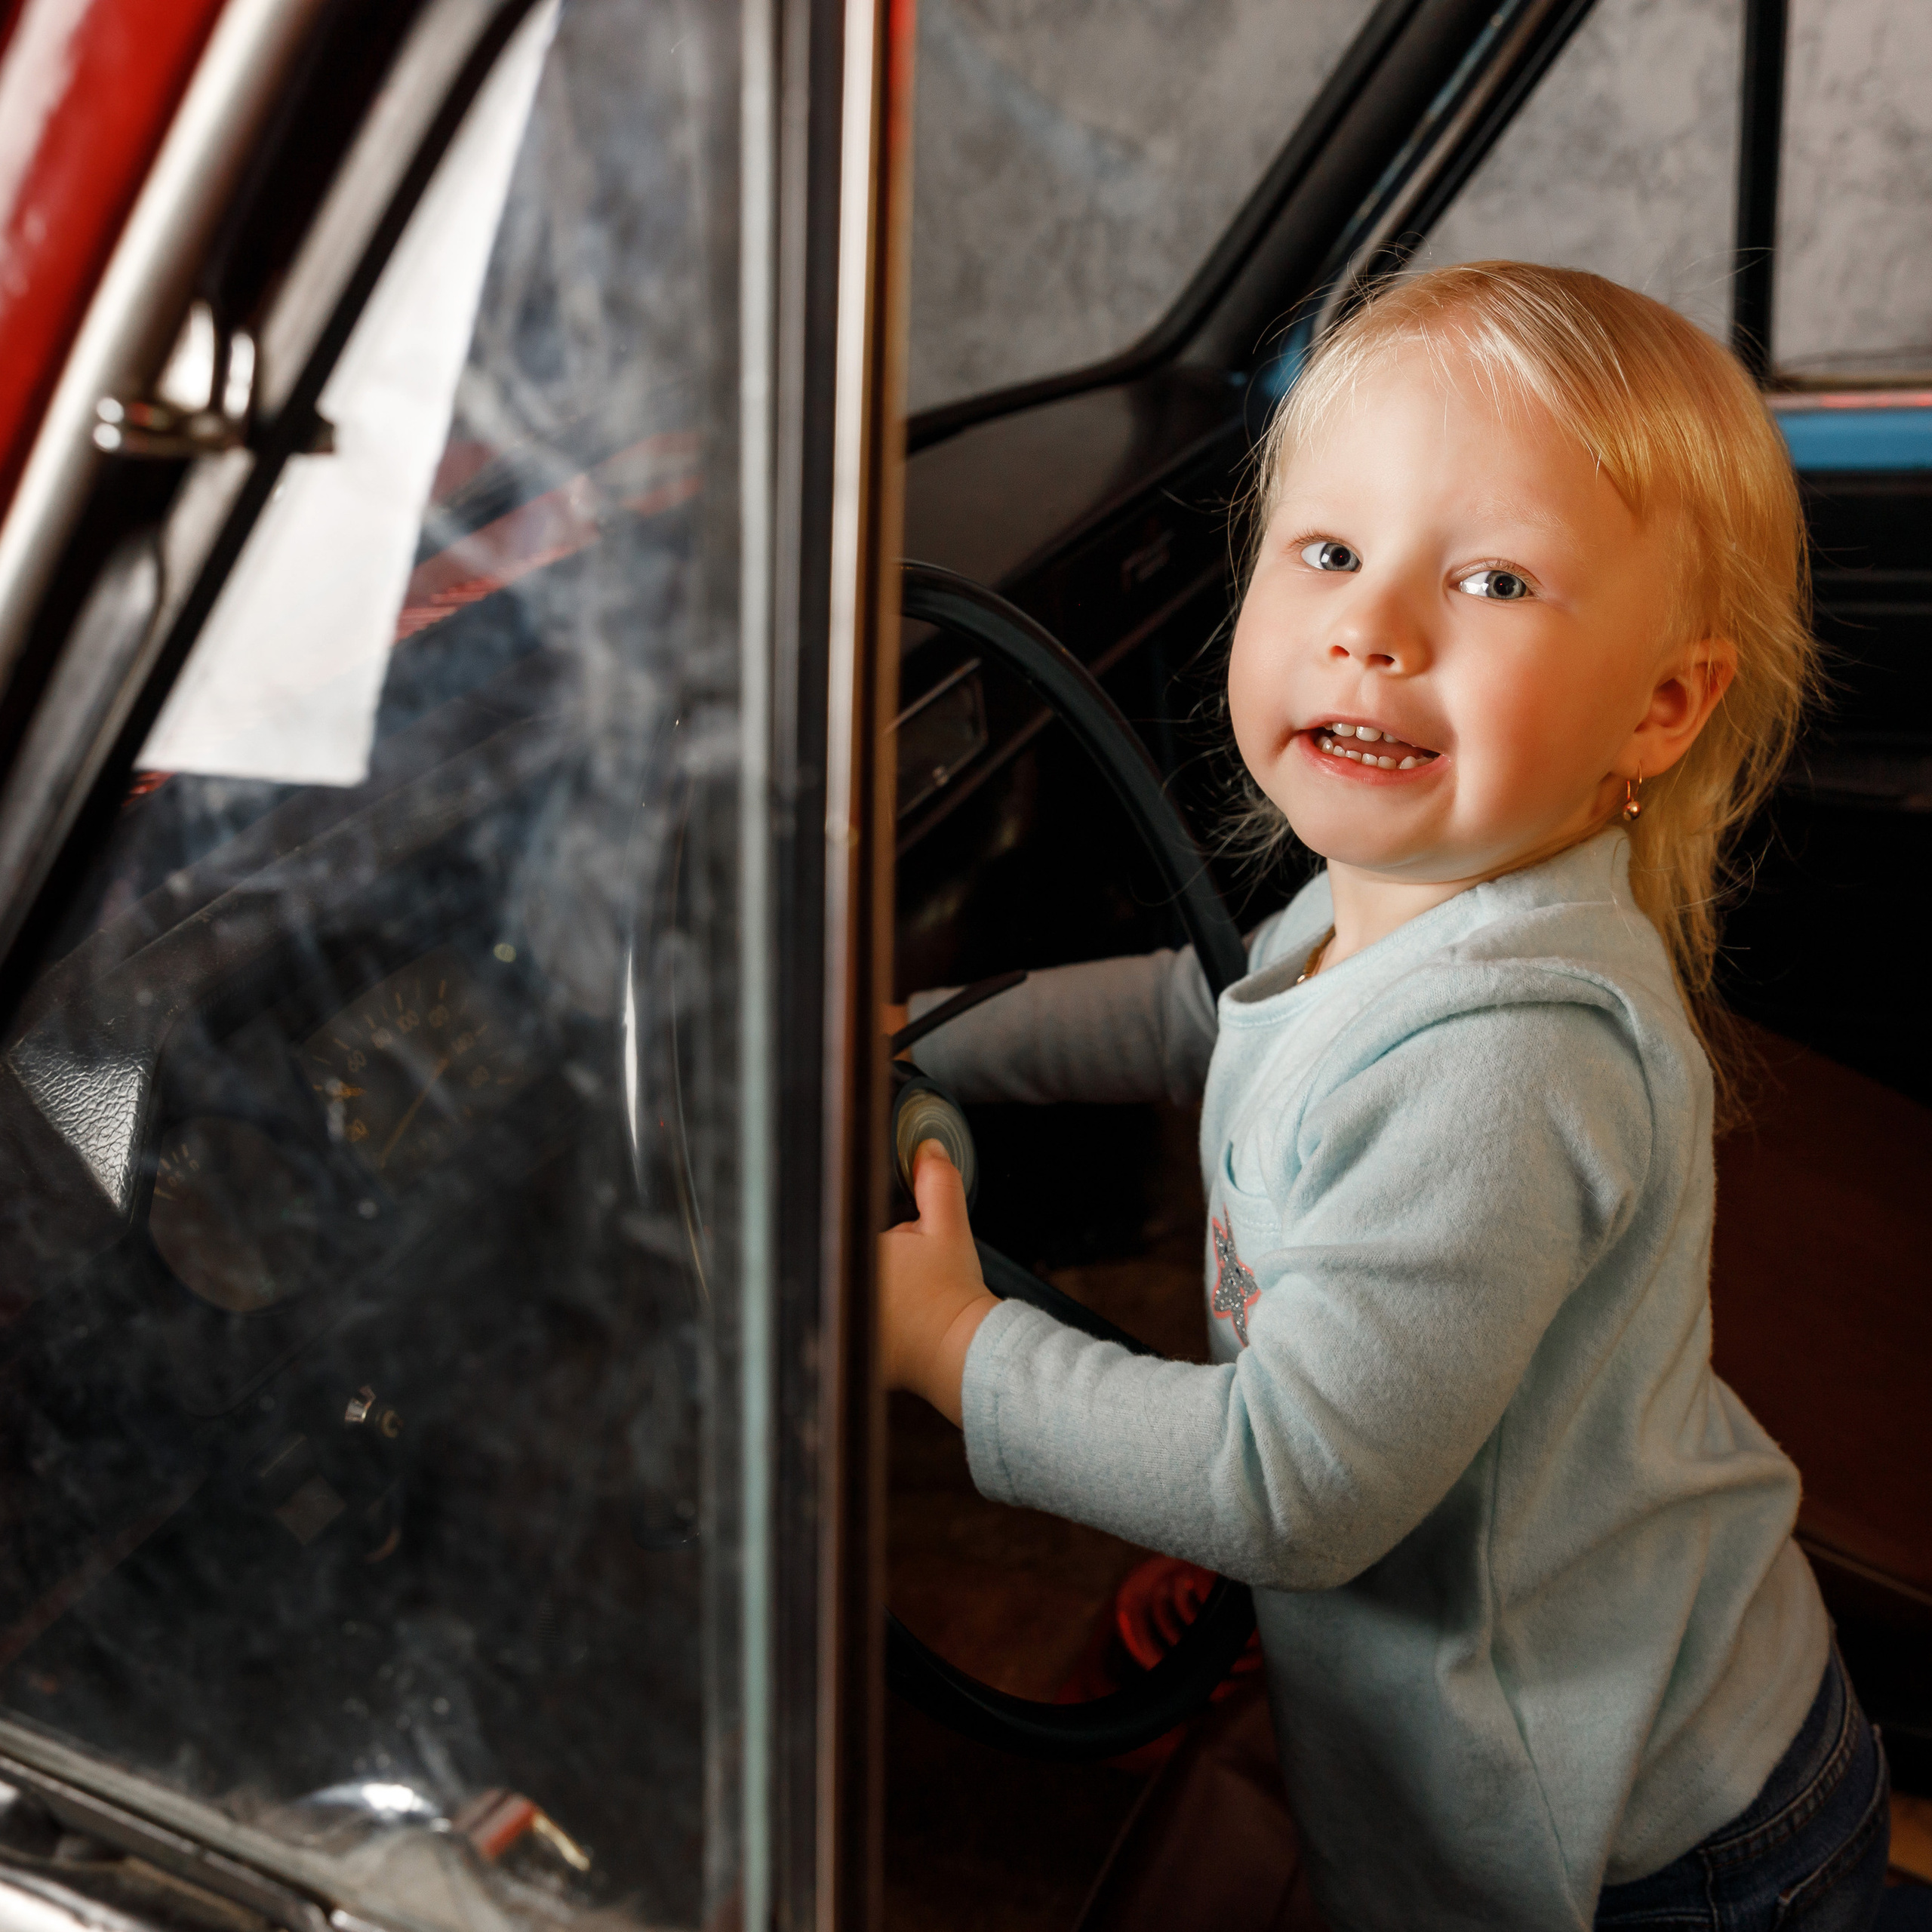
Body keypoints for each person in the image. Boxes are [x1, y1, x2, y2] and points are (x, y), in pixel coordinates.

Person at [878, 262, 1891, 1931]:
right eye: (1330, 552)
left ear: (1659, 707)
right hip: (1580, 1674)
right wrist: (923, 1029)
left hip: (1643, 1842)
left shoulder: (1503, 1060)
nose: (1375, 629)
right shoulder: (1407, 897)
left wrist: (951, 1348)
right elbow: (1200, 1010)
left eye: (1492, 580)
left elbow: (1290, 1487)